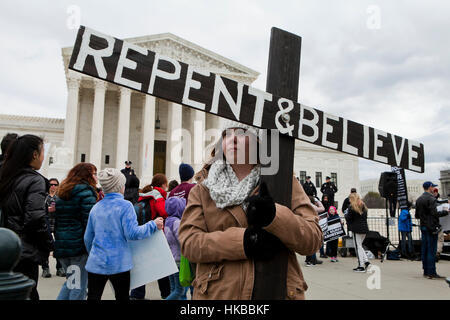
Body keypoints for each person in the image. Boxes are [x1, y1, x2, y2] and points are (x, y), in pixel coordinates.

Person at [178, 120, 322, 300]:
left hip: (277, 291)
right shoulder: (203, 189)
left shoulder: (284, 181)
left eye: (241, 133)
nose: (232, 139)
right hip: (219, 294)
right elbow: (189, 243)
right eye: (226, 134)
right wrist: (243, 242)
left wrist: (274, 216)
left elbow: (313, 239)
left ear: (258, 141)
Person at [84, 168, 164, 300]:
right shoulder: (125, 206)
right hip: (119, 263)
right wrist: (153, 225)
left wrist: (94, 253)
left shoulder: (96, 207)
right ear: (120, 186)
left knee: (93, 297)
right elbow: (133, 233)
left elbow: (88, 238)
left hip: (97, 262)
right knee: (122, 297)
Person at [0, 134, 54, 300]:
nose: (44, 157)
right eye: (43, 152)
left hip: (4, 245)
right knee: (27, 292)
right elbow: (35, 218)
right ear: (35, 155)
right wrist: (48, 243)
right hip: (23, 250)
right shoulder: (34, 180)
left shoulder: (6, 175)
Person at [54, 163, 98, 300]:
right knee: (78, 287)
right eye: (94, 173)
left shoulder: (62, 192)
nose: (97, 177)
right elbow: (90, 223)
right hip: (78, 247)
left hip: (63, 245)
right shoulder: (86, 192)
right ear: (87, 175)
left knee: (71, 283)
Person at [129, 173, 170, 300]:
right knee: (162, 266)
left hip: (143, 231)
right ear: (163, 184)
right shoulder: (157, 195)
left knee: (142, 265)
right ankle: (166, 293)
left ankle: (137, 294)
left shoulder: (145, 194)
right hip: (155, 233)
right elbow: (164, 212)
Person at [415, 181, 448, 279]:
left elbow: (417, 215)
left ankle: (426, 270)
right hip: (431, 227)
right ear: (430, 187)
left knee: (424, 249)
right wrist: (445, 212)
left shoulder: (419, 199)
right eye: (433, 187)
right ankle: (432, 272)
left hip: (423, 226)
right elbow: (435, 213)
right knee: (432, 250)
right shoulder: (431, 198)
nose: (434, 188)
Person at [164, 197, 189, 300]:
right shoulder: (176, 222)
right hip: (178, 260)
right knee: (179, 291)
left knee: (173, 289)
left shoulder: (168, 221)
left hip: (171, 260)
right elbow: (182, 239)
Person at [41, 178, 65, 278]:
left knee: (58, 246)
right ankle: (45, 268)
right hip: (45, 223)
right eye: (51, 184)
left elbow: (64, 208)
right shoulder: (44, 197)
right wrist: (48, 209)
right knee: (45, 246)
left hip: (57, 223)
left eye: (55, 184)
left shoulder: (60, 197)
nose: (53, 186)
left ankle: (59, 268)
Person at [345, 193, 370, 272]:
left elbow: (349, 218)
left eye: (350, 198)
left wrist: (346, 214)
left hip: (356, 229)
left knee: (357, 247)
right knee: (360, 246)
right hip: (364, 228)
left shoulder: (352, 207)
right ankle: (366, 261)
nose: (349, 200)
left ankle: (361, 265)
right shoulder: (364, 206)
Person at [305, 196, 325, 266]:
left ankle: (308, 260)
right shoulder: (312, 206)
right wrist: (318, 201)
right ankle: (312, 260)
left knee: (308, 243)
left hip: (306, 225)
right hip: (313, 225)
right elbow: (322, 208)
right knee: (313, 242)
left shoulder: (304, 206)